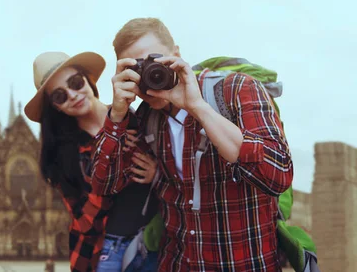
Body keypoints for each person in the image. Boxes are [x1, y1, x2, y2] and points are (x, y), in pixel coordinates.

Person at [92, 17, 293, 271]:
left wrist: (198, 107)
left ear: (176, 54)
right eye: (137, 68)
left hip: (245, 263)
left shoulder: (237, 89)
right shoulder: (145, 116)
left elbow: (278, 175)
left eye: (154, 62)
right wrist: (117, 115)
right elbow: (105, 183)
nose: (149, 76)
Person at [23, 51, 158, 272]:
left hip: (153, 243)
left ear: (88, 79)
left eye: (75, 83)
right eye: (59, 96)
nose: (73, 95)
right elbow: (85, 222)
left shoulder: (137, 118)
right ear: (55, 106)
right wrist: (111, 156)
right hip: (103, 253)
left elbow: (180, 174)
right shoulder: (61, 154)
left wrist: (157, 175)